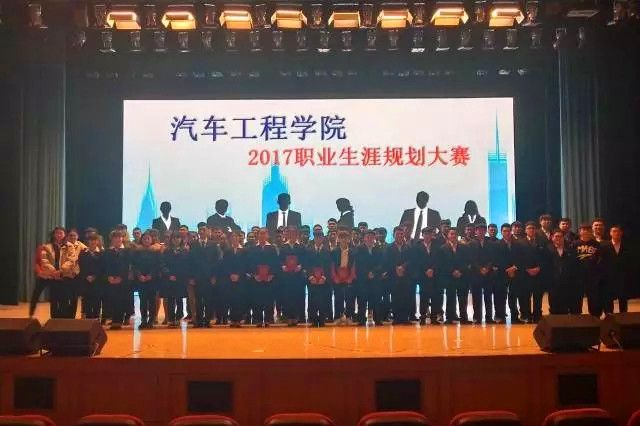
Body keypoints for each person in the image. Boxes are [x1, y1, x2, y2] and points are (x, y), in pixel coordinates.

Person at [189, 223, 222, 328]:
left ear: (208, 231)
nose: (202, 231)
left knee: (209, 300)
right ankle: (198, 321)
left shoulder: (213, 245)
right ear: (198, 232)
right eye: (200, 230)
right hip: (197, 277)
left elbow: (217, 262)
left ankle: (207, 321)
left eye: (204, 229)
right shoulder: (193, 244)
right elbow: (190, 262)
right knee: (198, 300)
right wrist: (191, 277)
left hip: (209, 277)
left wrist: (214, 276)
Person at [40, 227, 76, 319]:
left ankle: (63, 321)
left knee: (65, 299)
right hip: (53, 277)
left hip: (65, 276)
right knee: (54, 300)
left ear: (64, 235)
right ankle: (54, 320)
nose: (59, 235)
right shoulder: (46, 247)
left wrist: (60, 271)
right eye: (57, 233)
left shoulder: (70, 246)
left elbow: (71, 260)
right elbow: (44, 261)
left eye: (61, 233)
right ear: (53, 234)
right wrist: (54, 272)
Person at [514, 222, 545, 323]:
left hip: (538, 273)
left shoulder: (541, 242)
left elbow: (545, 257)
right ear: (525, 230)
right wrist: (527, 269)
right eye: (529, 228)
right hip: (524, 274)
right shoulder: (519, 242)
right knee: (525, 296)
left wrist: (539, 268)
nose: (531, 230)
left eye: (533, 228)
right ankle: (526, 315)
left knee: (538, 296)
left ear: (535, 230)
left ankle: (537, 316)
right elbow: (517, 259)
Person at [439, 228, 471, 324]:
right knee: (450, 297)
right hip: (449, 276)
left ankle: (464, 318)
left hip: (462, 275)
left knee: (463, 298)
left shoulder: (465, 247)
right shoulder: (443, 248)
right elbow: (443, 263)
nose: (453, 236)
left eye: (455, 234)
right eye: (451, 234)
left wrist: (460, 271)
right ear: (448, 235)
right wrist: (452, 271)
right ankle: (450, 318)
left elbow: (467, 261)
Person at [248, 228, 279, 326]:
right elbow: (250, 263)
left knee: (269, 299)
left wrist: (271, 274)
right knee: (257, 299)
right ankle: (257, 319)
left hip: (269, 279)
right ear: (258, 235)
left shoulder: (272, 248)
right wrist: (254, 274)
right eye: (260, 234)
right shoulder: (253, 248)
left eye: (264, 234)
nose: (262, 235)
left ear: (267, 235)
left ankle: (268, 319)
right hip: (256, 279)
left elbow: (275, 263)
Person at [412, 226, 442, 325]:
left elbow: (439, 260)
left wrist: (432, 269)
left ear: (432, 235)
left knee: (435, 297)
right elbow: (417, 261)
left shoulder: (437, 245)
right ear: (422, 235)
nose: (427, 236)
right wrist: (426, 270)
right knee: (423, 297)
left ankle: (434, 317)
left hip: (435, 275)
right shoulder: (417, 246)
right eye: (425, 234)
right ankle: (423, 317)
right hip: (423, 275)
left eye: (429, 234)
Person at [132, 231, 162, 329]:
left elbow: (157, 265)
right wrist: (139, 275)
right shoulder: (137, 252)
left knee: (152, 301)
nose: (146, 240)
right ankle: (143, 320)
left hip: (152, 279)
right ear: (141, 240)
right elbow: (134, 265)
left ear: (151, 240)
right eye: (144, 238)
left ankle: (151, 320)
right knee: (143, 301)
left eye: (148, 238)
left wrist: (151, 275)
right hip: (141, 279)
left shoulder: (155, 252)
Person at [102, 230, 131, 330]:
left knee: (121, 300)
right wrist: (109, 276)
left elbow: (127, 266)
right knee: (111, 299)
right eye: (115, 238)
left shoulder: (127, 251)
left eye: (119, 237)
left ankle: (119, 320)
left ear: (122, 238)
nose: (117, 239)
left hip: (123, 280)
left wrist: (121, 277)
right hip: (110, 280)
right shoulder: (107, 252)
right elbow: (105, 265)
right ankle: (114, 319)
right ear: (112, 239)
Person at [384, 226, 414, 325]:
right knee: (395, 297)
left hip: (406, 275)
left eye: (402, 234)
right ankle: (396, 318)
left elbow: (411, 260)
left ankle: (405, 318)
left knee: (406, 297)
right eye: (398, 234)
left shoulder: (408, 247)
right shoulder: (389, 248)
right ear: (394, 235)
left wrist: (403, 267)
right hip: (394, 276)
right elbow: (387, 261)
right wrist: (396, 268)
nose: (400, 236)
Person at [573, 223, 603, 317]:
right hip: (578, 276)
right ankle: (576, 316)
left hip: (592, 275)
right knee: (577, 297)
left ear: (591, 232)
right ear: (579, 231)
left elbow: (600, 260)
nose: (585, 232)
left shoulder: (596, 244)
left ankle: (595, 316)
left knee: (594, 297)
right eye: (583, 229)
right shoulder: (574, 244)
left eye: (588, 230)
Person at [355, 230, 384, 325]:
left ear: (374, 238)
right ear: (364, 238)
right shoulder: (359, 249)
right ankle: (361, 319)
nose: (370, 239)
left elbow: (381, 264)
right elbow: (358, 264)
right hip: (363, 279)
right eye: (368, 237)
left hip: (375, 279)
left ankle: (377, 319)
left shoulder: (378, 249)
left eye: (372, 237)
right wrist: (367, 273)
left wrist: (374, 272)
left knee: (376, 299)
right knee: (362, 300)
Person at [279, 226, 306, 325]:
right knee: (287, 296)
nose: (292, 235)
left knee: (298, 296)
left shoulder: (301, 246)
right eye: (289, 233)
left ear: (297, 234)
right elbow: (279, 260)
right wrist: (282, 266)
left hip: (298, 276)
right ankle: (288, 317)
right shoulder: (283, 247)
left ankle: (298, 317)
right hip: (287, 277)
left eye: (293, 233)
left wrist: (301, 266)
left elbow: (306, 260)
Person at [469, 223, 496, 324]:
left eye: (482, 230)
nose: (480, 232)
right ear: (475, 231)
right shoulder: (471, 243)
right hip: (476, 273)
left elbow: (493, 257)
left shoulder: (491, 243)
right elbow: (471, 258)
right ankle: (477, 317)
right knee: (476, 297)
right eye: (478, 230)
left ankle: (489, 317)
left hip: (488, 273)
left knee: (488, 297)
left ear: (485, 231)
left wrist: (487, 268)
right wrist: (480, 268)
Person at [305, 225, 332, 326]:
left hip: (323, 280)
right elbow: (307, 265)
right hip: (312, 279)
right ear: (314, 238)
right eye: (316, 236)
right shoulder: (309, 250)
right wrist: (310, 277)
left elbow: (329, 266)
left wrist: (324, 277)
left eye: (320, 236)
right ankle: (313, 319)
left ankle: (322, 319)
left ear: (323, 238)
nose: (318, 238)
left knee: (323, 300)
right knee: (312, 299)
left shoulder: (327, 251)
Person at [601, 225, 631, 313]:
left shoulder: (627, 245)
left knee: (623, 300)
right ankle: (609, 318)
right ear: (610, 233)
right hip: (608, 278)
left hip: (623, 278)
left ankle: (624, 318)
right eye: (614, 231)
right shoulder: (603, 245)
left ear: (621, 233)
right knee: (608, 301)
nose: (616, 233)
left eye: (618, 231)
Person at [548, 230, 579, 314]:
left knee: (566, 302)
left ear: (563, 238)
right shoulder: (548, 249)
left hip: (567, 281)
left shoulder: (570, 249)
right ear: (552, 238)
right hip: (553, 281)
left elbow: (574, 265)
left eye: (560, 236)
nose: (558, 238)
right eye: (556, 236)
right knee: (554, 302)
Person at [161, 232, 189, 327]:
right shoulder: (167, 251)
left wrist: (180, 275)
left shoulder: (185, 251)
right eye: (174, 238)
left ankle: (178, 317)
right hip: (169, 278)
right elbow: (163, 264)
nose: (176, 240)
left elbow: (186, 265)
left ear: (181, 239)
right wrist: (169, 275)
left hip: (181, 278)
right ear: (171, 239)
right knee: (170, 299)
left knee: (179, 299)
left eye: (178, 238)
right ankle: (171, 319)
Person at [223, 230, 248, 327]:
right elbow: (225, 264)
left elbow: (246, 264)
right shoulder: (227, 251)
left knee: (240, 298)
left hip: (241, 278)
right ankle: (232, 319)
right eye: (232, 236)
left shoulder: (244, 250)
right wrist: (230, 274)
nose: (234, 238)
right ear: (230, 239)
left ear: (240, 238)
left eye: (236, 236)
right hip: (229, 278)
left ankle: (239, 319)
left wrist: (239, 275)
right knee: (231, 298)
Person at [331, 230, 357, 322]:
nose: (343, 240)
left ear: (348, 239)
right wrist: (335, 277)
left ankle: (349, 316)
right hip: (338, 277)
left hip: (349, 276)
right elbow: (332, 266)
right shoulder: (334, 252)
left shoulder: (353, 252)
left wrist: (351, 277)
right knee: (338, 298)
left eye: (345, 238)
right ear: (338, 239)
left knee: (350, 298)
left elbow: (354, 266)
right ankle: (338, 316)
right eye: (341, 238)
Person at [495, 223, 519, 323]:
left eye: (509, 231)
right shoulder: (496, 244)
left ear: (511, 232)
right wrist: (508, 270)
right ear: (501, 232)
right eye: (504, 231)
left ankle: (515, 317)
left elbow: (521, 257)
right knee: (501, 296)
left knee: (513, 296)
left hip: (515, 273)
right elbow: (496, 260)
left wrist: (514, 268)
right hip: (502, 274)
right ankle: (501, 316)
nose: (507, 233)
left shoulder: (517, 244)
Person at [78, 234, 105, 320]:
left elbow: (102, 267)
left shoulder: (102, 253)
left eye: (94, 240)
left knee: (97, 299)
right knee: (86, 299)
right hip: (85, 280)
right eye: (91, 240)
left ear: (97, 241)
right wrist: (86, 276)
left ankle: (96, 318)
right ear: (88, 241)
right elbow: (81, 266)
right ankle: (87, 318)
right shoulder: (83, 253)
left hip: (98, 280)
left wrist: (95, 276)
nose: (93, 242)